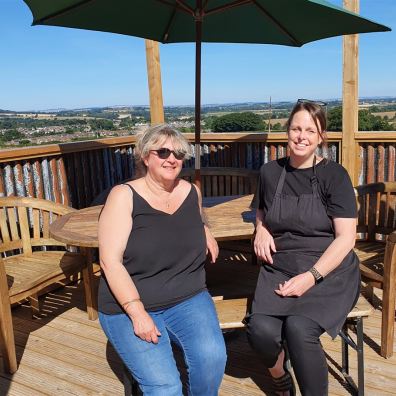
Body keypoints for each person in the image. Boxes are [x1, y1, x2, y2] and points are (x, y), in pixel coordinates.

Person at [97, 124, 226, 396]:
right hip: (129, 303)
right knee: (165, 387)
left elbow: (192, 218)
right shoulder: (124, 196)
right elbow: (110, 262)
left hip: (187, 296)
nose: (172, 158)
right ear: (146, 156)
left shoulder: (192, 191)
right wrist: (137, 312)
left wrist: (205, 230)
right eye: (163, 151)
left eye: (179, 153)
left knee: (212, 359)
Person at [247, 100, 360, 396]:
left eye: (311, 130)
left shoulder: (335, 176)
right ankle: (281, 378)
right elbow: (261, 210)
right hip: (281, 266)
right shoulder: (270, 172)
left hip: (328, 269)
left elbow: (346, 238)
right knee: (260, 331)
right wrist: (260, 229)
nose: (302, 136)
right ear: (287, 132)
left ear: (321, 137)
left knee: (299, 328)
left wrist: (311, 276)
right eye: (296, 128)